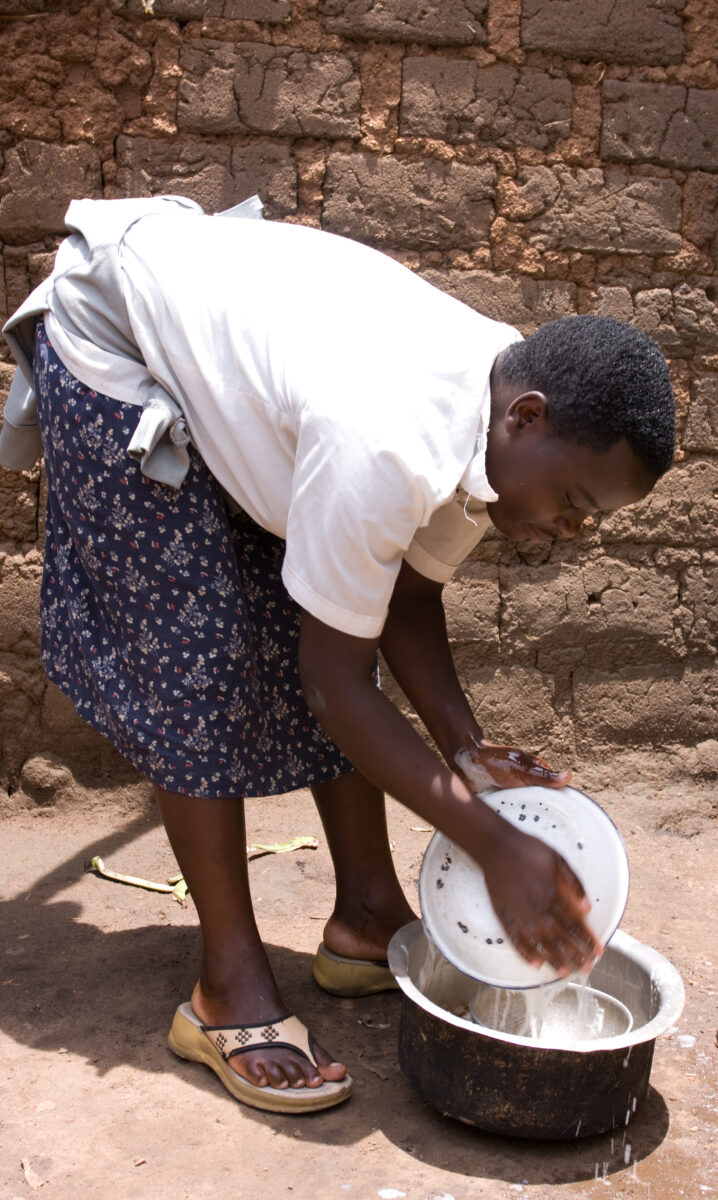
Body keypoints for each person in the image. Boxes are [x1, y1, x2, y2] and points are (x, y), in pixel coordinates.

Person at [0, 194, 675, 1114]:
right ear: (527, 416)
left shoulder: (497, 405)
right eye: (576, 501)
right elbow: (335, 687)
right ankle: (226, 989)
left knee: (325, 608)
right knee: (201, 660)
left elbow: (402, 593)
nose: (571, 528)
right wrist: (495, 844)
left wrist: (468, 754)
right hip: (115, 336)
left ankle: (364, 916)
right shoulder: (389, 438)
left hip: (251, 363)